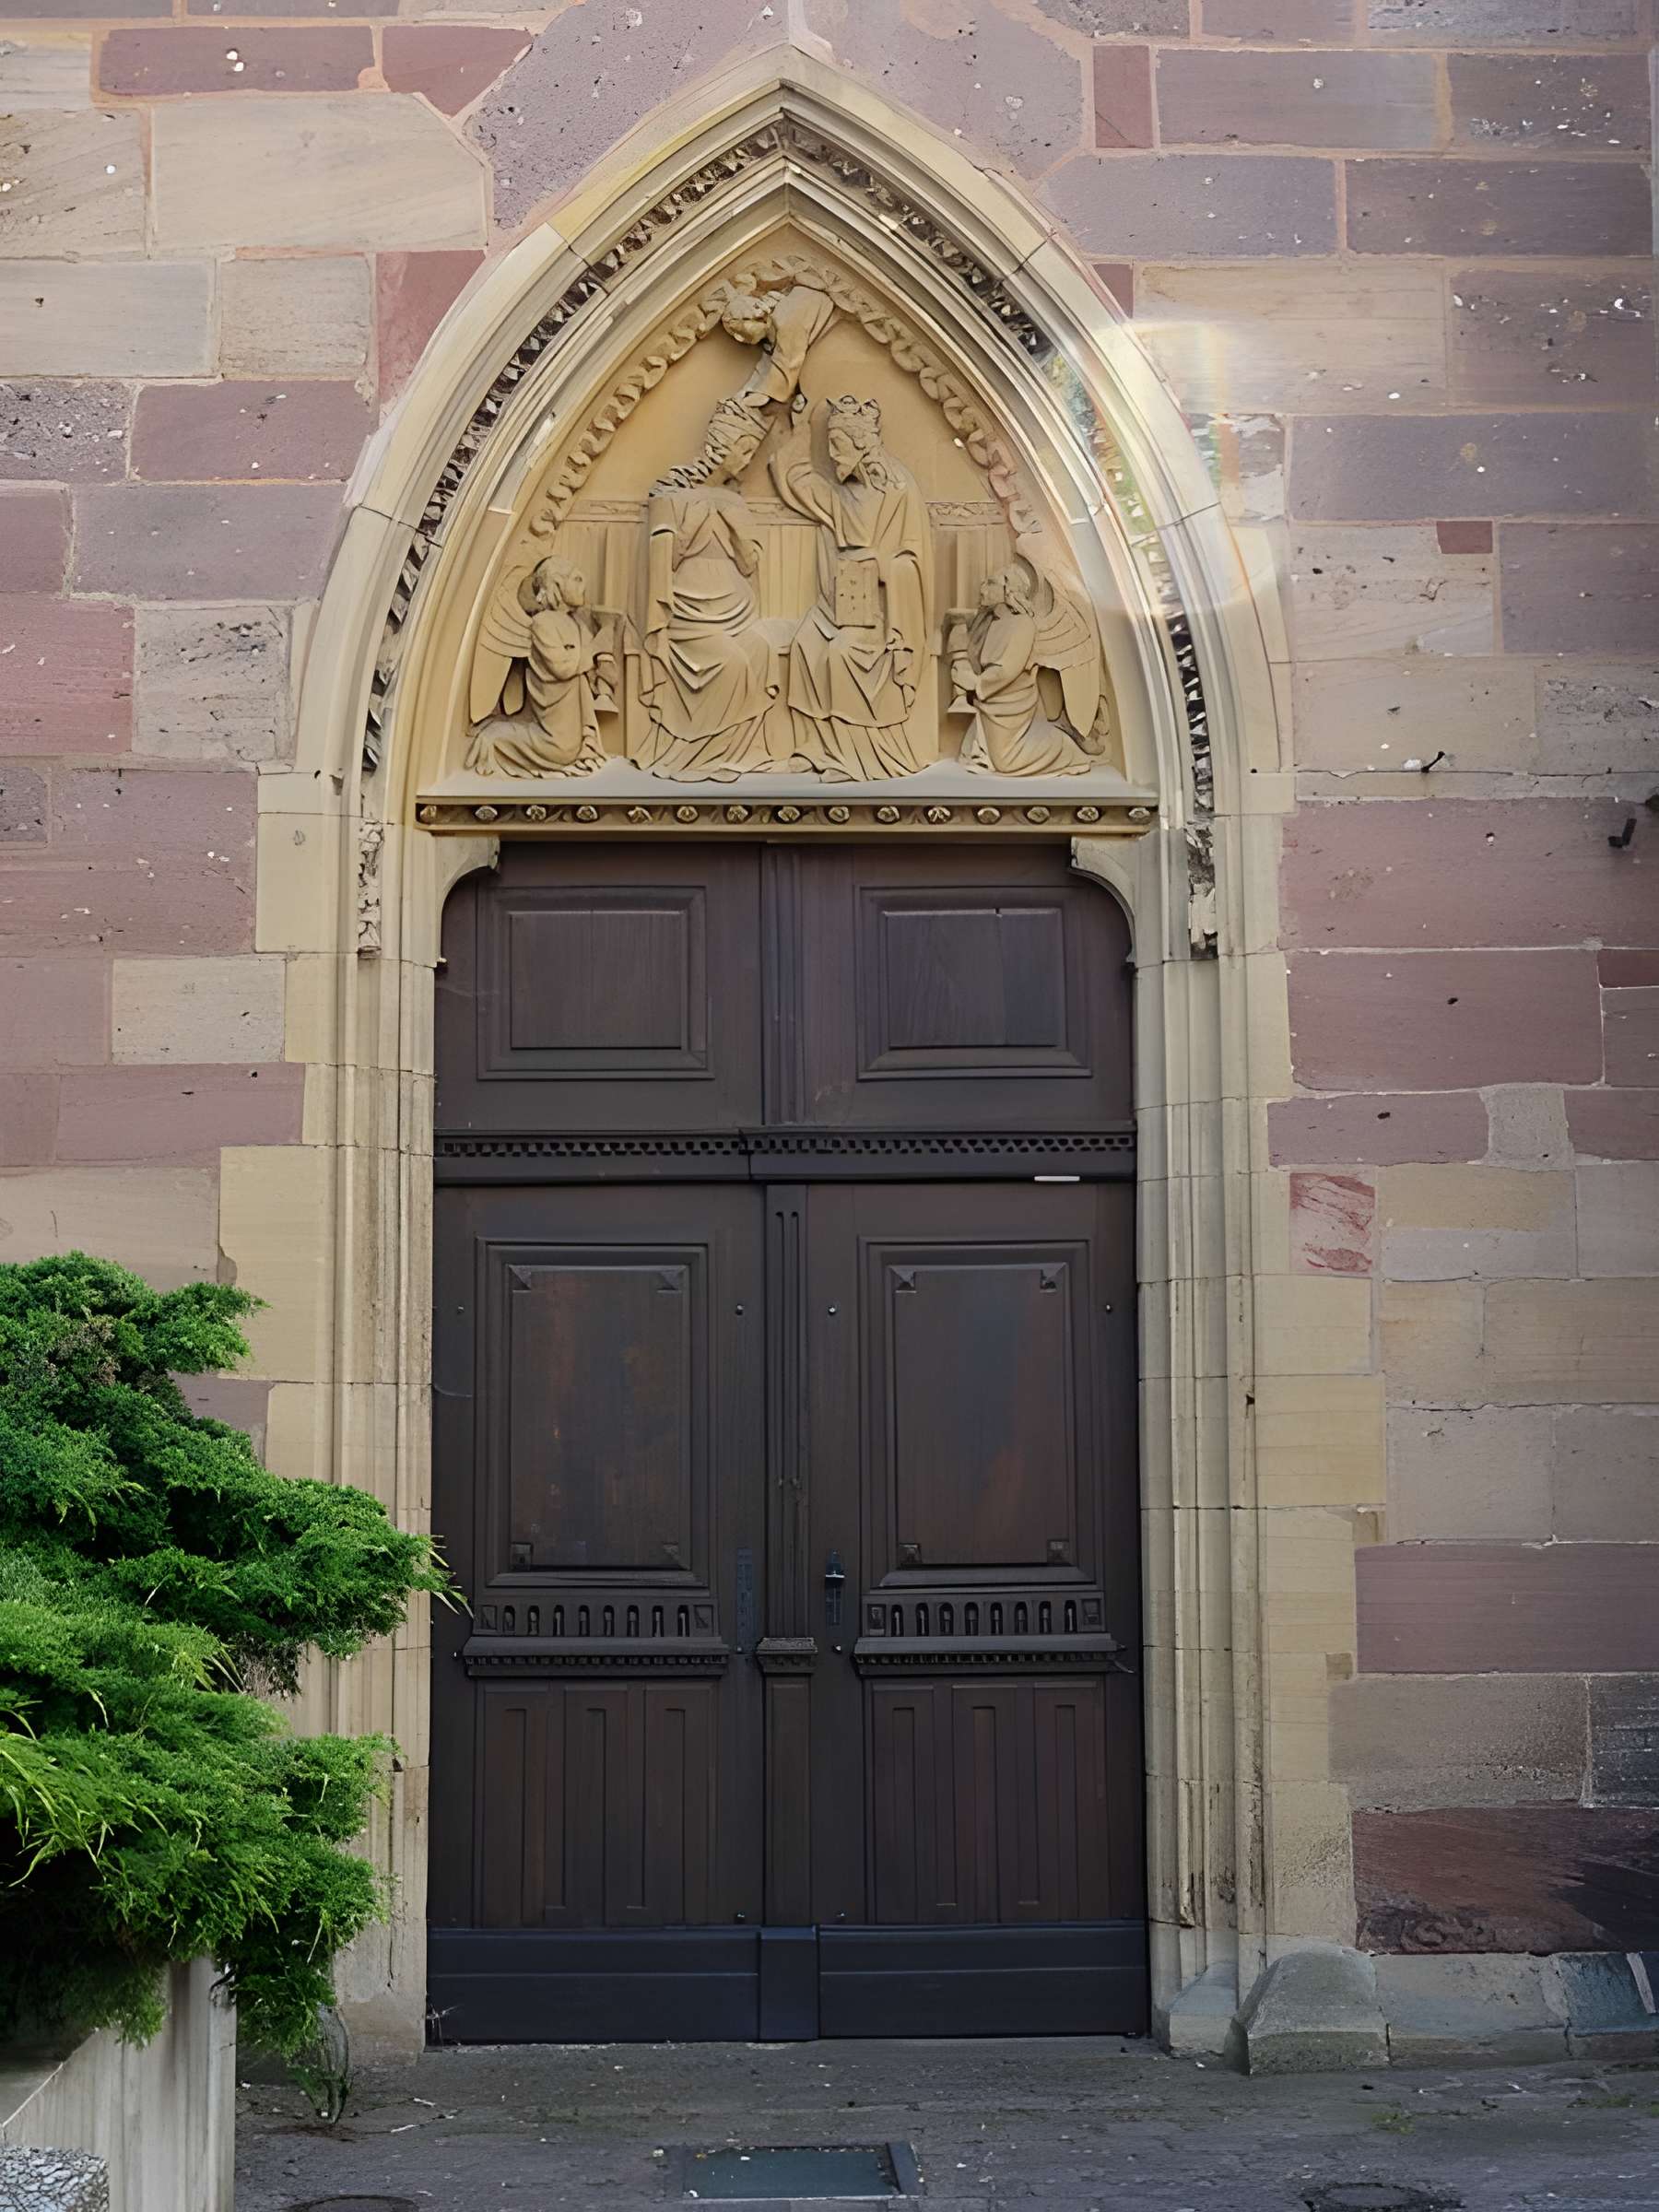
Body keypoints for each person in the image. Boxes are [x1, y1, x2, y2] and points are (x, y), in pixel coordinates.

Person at [770, 394, 935, 782]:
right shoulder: (843, 493)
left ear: (861, 442)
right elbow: (798, 479)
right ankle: (818, 748)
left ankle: (855, 757)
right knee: (806, 644)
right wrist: (799, 427)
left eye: (837, 444)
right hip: (838, 606)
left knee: (843, 653)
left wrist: (882, 566)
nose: (831, 454)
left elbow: (913, 561)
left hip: (882, 614)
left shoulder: (898, 491)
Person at [637, 400, 778, 781]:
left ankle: (741, 752)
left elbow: (749, 564)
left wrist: (735, 527)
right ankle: (701, 754)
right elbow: (664, 559)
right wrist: (694, 519)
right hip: (689, 614)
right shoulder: (670, 494)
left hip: (735, 609)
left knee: (762, 651)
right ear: (722, 446)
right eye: (743, 450)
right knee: (732, 663)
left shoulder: (734, 501)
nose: (747, 461)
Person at [465, 555, 608, 775]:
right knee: (497, 737)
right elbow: (563, 667)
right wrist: (594, 648)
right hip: (554, 736)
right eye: (576, 579)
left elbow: (593, 665)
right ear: (557, 585)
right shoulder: (543, 623)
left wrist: (605, 655)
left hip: (571, 734)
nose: (584, 584)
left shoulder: (576, 623)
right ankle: (492, 739)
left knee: (561, 748)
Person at [951, 564, 1092, 776]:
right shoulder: (991, 622)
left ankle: (1064, 747)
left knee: (1006, 762)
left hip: (1011, 703)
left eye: (991, 583)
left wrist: (976, 683)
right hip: (990, 700)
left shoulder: (1023, 624)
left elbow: (1007, 670)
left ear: (1009, 591)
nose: (982, 588)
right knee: (974, 756)